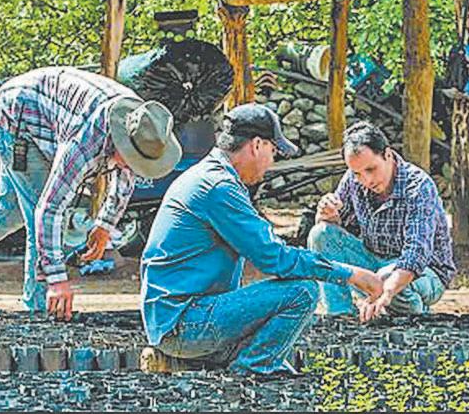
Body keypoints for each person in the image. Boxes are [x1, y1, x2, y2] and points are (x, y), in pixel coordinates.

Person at [0, 67, 181, 321]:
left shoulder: (144, 129)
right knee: (36, 215)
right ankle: (39, 309)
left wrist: (104, 226)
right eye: (129, 158)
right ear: (118, 140)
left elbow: (125, 176)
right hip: (18, 117)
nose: (130, 165)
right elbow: (50, 210)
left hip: (45, 117)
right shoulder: (88, 140)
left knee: (10, 210)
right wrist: (57, 279)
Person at [139, 103, 384, 376]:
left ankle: (197, 362)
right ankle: (250, 373)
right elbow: (274, 258)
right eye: (273, 151)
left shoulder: (209, 176)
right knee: (302, 292)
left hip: (174, 319)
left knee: (282, 353)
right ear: (257, 145)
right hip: (183, 324)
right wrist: (350, 274)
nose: (271, 163)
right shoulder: (218, 187)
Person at [308, 121, 456, 322]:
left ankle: (415, 314)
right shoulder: (353, 179)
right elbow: (331, 236)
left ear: (387, 155)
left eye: (371, 169)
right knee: (320, 234)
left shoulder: (418, 186)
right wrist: (327, 215)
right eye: (358, 173)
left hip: (423, 273)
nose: (366, 180)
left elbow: (416, 254)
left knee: (389, 280)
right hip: (374, 264)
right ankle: (340, 314)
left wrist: (386, 289)